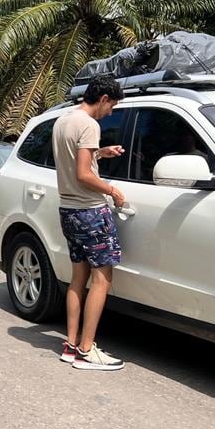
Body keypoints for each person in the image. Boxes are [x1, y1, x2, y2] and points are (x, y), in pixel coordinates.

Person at [53, 74, 128, 371]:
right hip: (90, 211)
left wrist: (101, 153)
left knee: (77, 279)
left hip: (69, 211)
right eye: (112, 107)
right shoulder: (89, 124)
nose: (111, 113)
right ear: (104, 99)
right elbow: (84, 175)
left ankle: (70, 346)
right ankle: (87, 350)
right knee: (102, 279)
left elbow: (74, 160)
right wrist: (113, 190)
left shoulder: (63, 120)